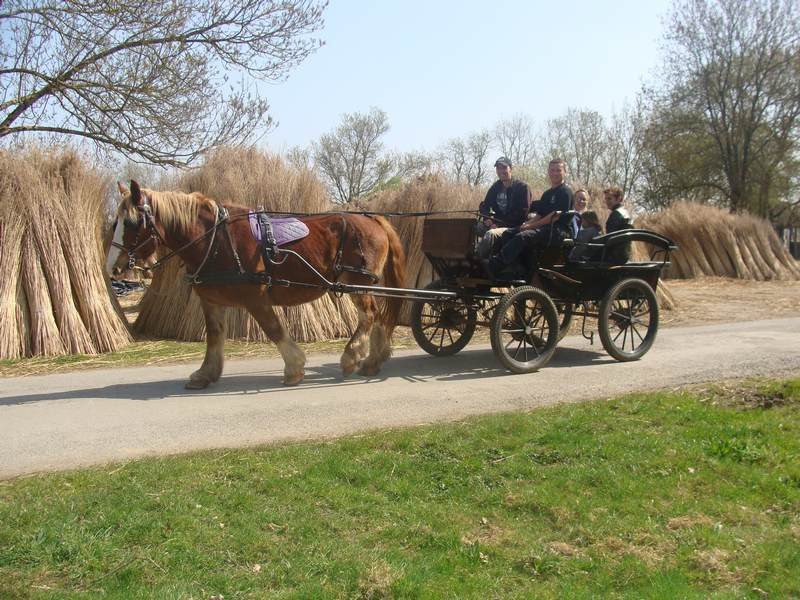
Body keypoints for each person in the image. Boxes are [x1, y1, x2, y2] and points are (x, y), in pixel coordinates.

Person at [487, 158, 574, 276]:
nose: (555, 173)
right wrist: (525, 225)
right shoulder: (547, 194)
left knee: (523, 236)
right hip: (544, 228)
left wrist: (531, 226)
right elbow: (539, 215)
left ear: (564, 172)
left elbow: (553, 217)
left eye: (558, 170)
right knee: (509, 233)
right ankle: (516, 266)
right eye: (552, 170)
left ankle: (495, 265)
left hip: (558, 230)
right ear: (548, 172)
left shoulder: (565, 192)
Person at [476, 157, 531, 258]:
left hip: (514, 226)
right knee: (471, 226)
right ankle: (462, 256)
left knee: (490, 234)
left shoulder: (522, 187)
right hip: (496, 224)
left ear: (511, 168)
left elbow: (522, 213)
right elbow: (484, 205)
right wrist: (487, 218)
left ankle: (477, 261)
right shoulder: (495, 187)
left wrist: (498, 224)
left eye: (504, 168)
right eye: (498, 168)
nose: (501, 171)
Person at [603, 186, 634, 263]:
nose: (607, 201)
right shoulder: (625, 213)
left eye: (609, 199)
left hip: (614, 256)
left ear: (619, 199)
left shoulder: (616, 214)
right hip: (624, 255)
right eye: (606, 199)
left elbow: (610, 237)